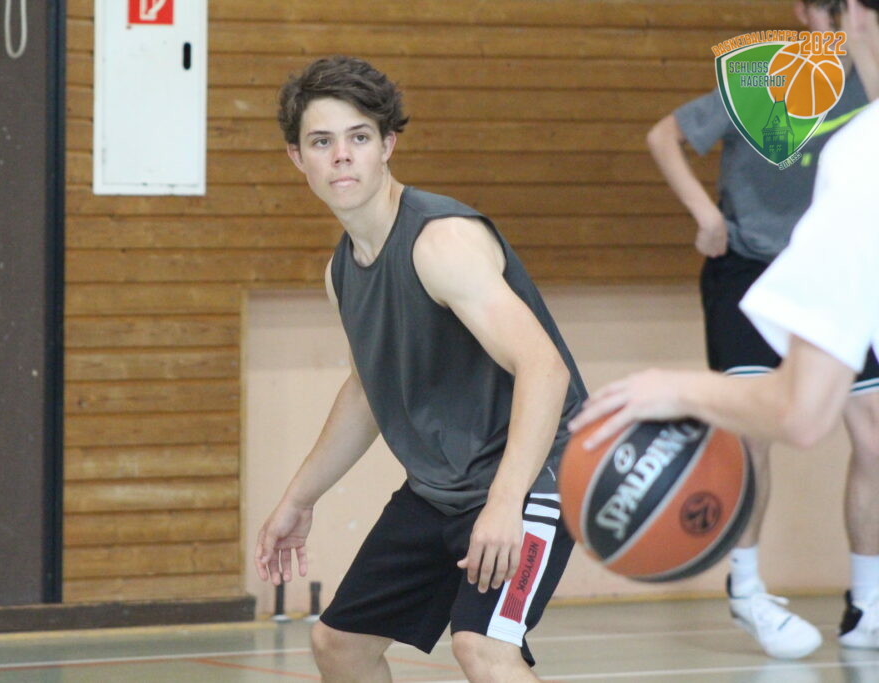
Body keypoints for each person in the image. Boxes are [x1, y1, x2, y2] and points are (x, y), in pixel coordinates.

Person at [254, 56, 587, 682]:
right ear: (298, 158)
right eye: (321, 142)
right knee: (340, 644)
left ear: (387, 145)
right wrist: (299, 499)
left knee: (483, 649)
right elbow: (366, 393)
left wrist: (505, 503)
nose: (341, 156)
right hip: (441, 490)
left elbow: (545, 369)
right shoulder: (342, 273)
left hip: (537, 477)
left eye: (358, 137)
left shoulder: (441, 242)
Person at [571, 0, 879, 654]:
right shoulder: (766, 75)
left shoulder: (865, 129)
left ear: (854, 17)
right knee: (752, 431)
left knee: (872, 430)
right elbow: (664, 136)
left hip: (834, 273)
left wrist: (672, 389)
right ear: (806, 14)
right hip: (751, 269)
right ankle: (747, 587)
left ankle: (868, 601)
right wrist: (705, 214)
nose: (832, 26)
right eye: (821, 12)